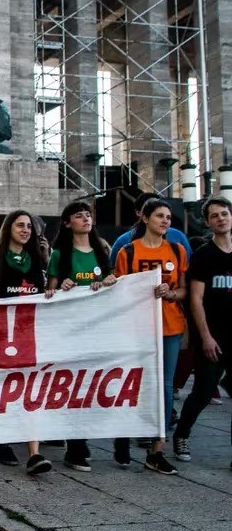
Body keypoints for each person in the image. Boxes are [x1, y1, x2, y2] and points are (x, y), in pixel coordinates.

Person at [113, 199, 187, 476]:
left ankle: (157, 448)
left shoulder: (177, 251)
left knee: (165, 386)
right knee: (132, 383)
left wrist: (170, 294)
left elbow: (183, 290)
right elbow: (119, 288)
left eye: (168, 217)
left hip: (169, 326)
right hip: (136, 326)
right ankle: (123, 435)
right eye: (159, 216)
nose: (165, 221)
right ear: (145, 219)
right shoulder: (129, 251)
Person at [44, 201, 116, 470]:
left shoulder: (101, 251)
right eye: (79, 216)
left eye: (88, 215)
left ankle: (80, 438)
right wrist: (62, 286)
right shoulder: (60, 255)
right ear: (67, 223)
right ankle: (76, 444)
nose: (86, 219)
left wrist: (109, 283)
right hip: (69, 330)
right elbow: (48, 292)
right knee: (73, 387)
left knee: (92, 386)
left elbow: (113, 286)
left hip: (96, 329)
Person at [0, 210, 51, 475]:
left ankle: (34, 454)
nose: (25, 230)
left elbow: (43, 292)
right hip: (4, 335)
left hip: (30, 333)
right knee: (7, 390)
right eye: (20, 225)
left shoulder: (35, 260)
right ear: (8, 228)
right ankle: (4, 441)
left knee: (31, 389)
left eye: (29, 227)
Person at [173, 196, 232, 467]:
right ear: (208, 222)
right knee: (203, 392)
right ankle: (182, 434)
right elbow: (195, 299)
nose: (221, 218)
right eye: (215, 216)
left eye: (224, 214)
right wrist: (206, 336)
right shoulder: (203, 256)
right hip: (213, 335)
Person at [109, 192, 191, 266]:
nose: (165, 221)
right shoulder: (123, 242)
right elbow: (113, 273)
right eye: (149, 207)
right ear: (139, 213)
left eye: (168, 217)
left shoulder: (178, 237)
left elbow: (186, 270)